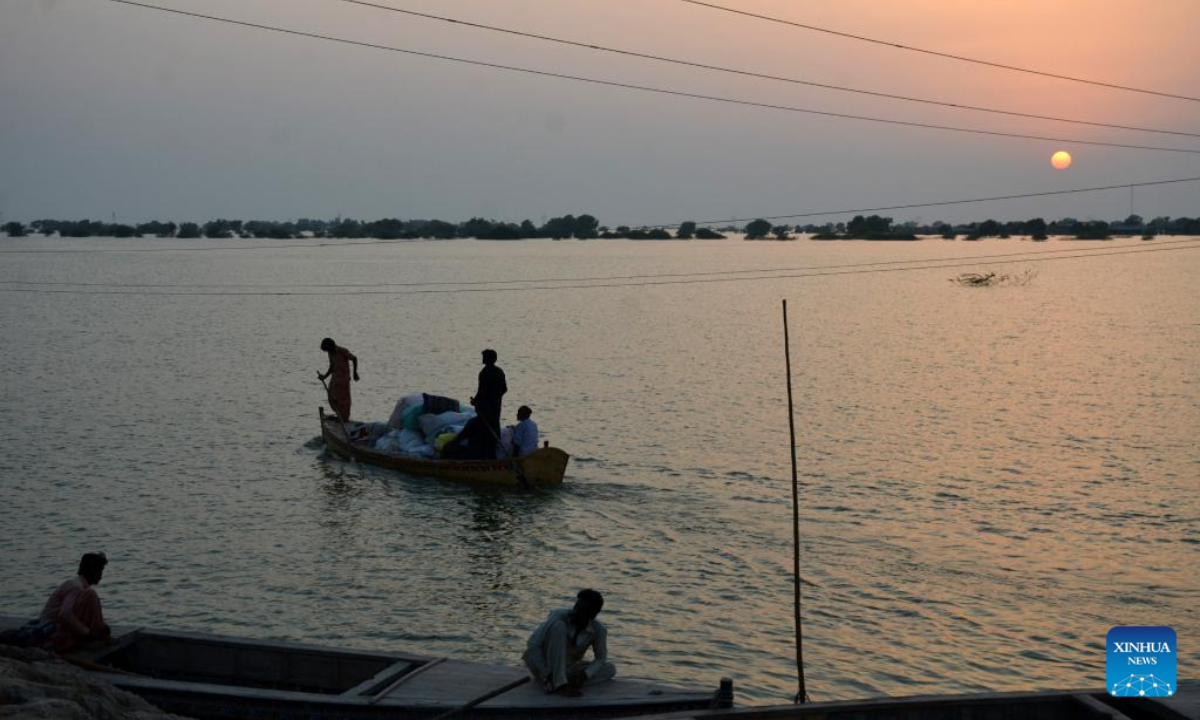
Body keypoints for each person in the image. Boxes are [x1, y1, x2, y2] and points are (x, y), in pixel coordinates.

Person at [523, 589, 616, 697]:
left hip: (567, 669)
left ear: (593, 615)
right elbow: (533, 645)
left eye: (582, 610)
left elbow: (600, 658)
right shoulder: (558, 616)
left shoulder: (598, 630)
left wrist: (584, 676)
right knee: (559, 626)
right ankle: (560, 684)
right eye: (576, 607)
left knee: (610, 669)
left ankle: (565, 682)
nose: (576, 612)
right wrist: (546, 674)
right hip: (544, 666)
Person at [39, 552, 111, 653]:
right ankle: (89, 636)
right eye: (99, 571)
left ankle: (97, 631)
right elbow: (65, 614)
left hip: (56, 630)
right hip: (51, 633)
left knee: (90, 595)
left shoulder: (80, 587)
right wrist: (87, 634)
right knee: (91, 594)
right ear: (90, 570)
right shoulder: (76, 587)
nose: (100, 575)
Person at [469, 349, 506, 458]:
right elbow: (504, 389)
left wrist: (476, 401)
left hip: (486, 408)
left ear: (487, 359)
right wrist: (496, 398)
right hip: (496, 407)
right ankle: (494, 454)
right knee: (494, 427)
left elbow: (482, 391)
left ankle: (485, 456)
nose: (482, 359)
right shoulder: (499, 371)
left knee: (484, 430)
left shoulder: (484, 373)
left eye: (484, 357)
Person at [318, 338, 359, 422]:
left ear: (331, 346)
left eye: (327, 349)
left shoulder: (342, 351)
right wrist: (324, 376)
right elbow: (332, 367)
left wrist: (355, 373)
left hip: (343, 379)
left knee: (343, 399)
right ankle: (339, 415)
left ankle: (344, 418)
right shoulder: (330, 353)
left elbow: (354, 358)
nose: (327, 352)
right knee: (332, 396)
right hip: (335, 379)